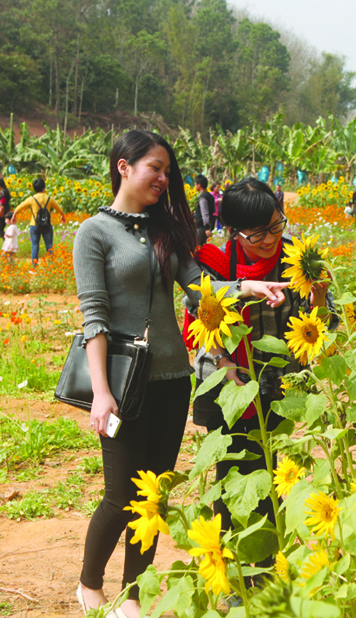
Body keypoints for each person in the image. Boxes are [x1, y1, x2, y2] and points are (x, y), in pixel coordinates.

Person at [74, 132, 286, 617]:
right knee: (120, 494)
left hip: (172, 380)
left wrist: (248, 287)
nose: (164, 178)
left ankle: (132, 594)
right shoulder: (94, 232)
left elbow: (199, 289)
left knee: (155, 493)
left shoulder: (164, 229)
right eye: (155, 168)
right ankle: (90, 584)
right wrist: (101, 392)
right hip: (123, 383)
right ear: (123, 167)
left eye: (167, 170)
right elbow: (94, 316)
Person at [185, 178, 335, 576]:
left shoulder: (298, 259)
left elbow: (326, 328)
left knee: (271, 473)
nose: (269, 239)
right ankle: (231, 571)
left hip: (277, 382)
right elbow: (200, 307)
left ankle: (269, 567)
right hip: (225, 384)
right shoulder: (216, 263)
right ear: (233, 229)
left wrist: (318, 297)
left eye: (275, 225)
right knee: (231, 474)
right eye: (257, 232)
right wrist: (224, 363)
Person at [12, 178, 66, 266]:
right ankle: (51, 266)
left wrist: (14, 216)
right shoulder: (49, 198)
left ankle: (35, 266)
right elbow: (60, 210)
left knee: (35, 246)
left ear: (34, 188)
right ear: (44, 188)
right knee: (49, 246)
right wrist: (62, 217)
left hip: (34, 225)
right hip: (47, 225)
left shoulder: (32, 199)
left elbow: (20, 207)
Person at [192, 174, 215, 246]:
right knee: (203, 248)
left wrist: (206, 228)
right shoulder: (210, 196)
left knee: (196, 247)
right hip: (206, 226)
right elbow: (212, 210)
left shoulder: (203, 197)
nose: (195, 186)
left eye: (195, 184)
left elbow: (205, 213)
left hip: (201, 227)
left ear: (199, 185)